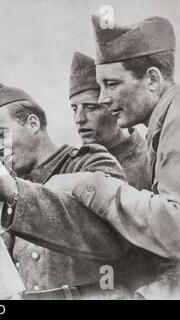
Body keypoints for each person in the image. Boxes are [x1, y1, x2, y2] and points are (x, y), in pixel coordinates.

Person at [0, 86, 164, 299]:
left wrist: (15, 193)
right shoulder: (7, 187)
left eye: (2, 135)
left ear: (33, 124)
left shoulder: (90, 162)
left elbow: (109, 240)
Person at [63, 15, 180, 299]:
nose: (103, 98)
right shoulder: (165, 124)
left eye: (112, 84)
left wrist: (91, 185)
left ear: (152, 79)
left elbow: (177, 230)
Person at [69, 52, 151, 190]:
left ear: (115, 108)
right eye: (74, 109)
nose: (79, 119)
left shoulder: (149, 161)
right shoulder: (76, 164)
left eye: (91, 108)